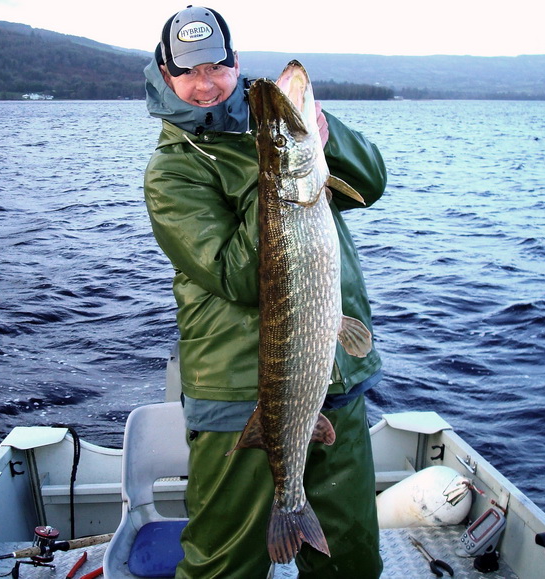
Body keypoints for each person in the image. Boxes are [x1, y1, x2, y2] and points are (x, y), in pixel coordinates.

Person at [143, 6, 387, 578]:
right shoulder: (172, 170)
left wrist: (326, 138)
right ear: (164, 73)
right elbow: (240, 276)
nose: (205, 85)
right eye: (188, 72)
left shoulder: (277, 127)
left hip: (331, 373)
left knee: (349, 557)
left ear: (234, 63)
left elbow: (370, 184)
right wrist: (276, 167)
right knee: (225, 564)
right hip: (235, 393)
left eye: (216, 67)